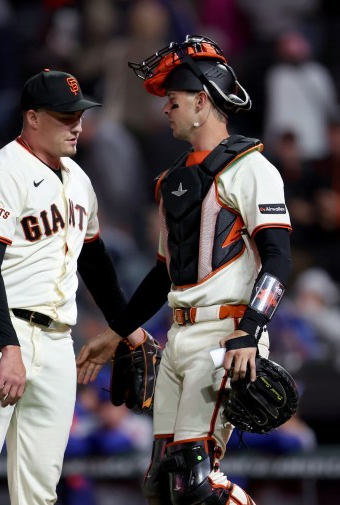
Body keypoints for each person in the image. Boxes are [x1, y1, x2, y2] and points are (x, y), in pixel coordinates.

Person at [77, 35, 293, 505]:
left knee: (196, 484)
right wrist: (118, 332)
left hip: (227, 334)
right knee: (162, 486)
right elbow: (162, 275)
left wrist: (251, 331)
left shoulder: (253, 169)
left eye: (173, 101)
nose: (165, 110)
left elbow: (278, 258)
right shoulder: (173, 181)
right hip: (178, 338)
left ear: (201, 102)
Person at [0, 69, 144, 505]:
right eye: (65, 116)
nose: (77, 125)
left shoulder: (79, 179)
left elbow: (95, 262)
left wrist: (128, 325)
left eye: (79, 115)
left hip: (57, 339)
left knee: (41, 489)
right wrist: (7, 346)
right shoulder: (0, 173)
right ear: (32, 117)